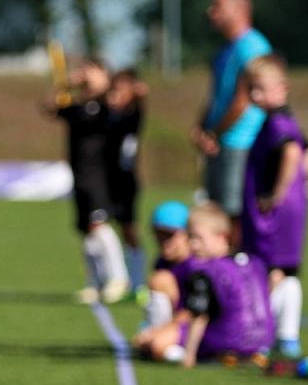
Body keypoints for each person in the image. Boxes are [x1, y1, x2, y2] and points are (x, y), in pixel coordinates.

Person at [135, 203, 272, 368]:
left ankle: (179, 352)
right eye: (191, 238)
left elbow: (199, 314)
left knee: (156, 345)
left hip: (225, 342)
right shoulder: (253, 263)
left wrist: (189, 354)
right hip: (262, 344)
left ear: (222, 237)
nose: (193, 245)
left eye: (197, 238)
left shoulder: (206, 271)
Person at [240, 54, 308, 358]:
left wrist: (277, 194)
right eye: (251, 89)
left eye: (261, 89)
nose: (255, 96)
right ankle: (281, 334)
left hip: (275, 215)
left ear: (282, 88)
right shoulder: (278, 119)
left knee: (273, 271)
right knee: (279, 270)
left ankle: (268, 333)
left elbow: (293, 154)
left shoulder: (278, 122)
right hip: (283, 209)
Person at [42, 58, 128, 304]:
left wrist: (103, 83)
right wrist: (63, 84)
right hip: (79, 175)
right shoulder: (78, 107)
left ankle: (118, 279)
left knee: (99, 224)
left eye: (92, 70)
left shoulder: (108, 104)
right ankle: (95, 282)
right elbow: (50, 108)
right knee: (86, 231)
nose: (85, 75)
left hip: (101, 174)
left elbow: (119, 99)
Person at [191, 0, 271, 243]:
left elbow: (242, 100)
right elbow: (217, 96)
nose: (211, 12)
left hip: (240, 143)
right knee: (214, 214)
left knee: (233, 216)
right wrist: (201, 129)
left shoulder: (253, 46)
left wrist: (214, 133)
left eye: (217, 6)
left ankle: (238, 272)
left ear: (238, 10)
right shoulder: (226, 50)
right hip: (220, 143)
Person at [104, 67, 148, 288]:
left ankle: (138, 280)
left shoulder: (133, 114)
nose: (117, 95)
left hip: (125, 180)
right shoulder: (106, 114)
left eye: (123, 89)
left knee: (129, 229)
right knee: (102, 227)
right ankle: (114, 278)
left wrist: (138, 94)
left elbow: (139, 102)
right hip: (106, 179)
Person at [138, 199, 193, 334]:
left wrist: (160, 333)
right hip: (175, 324)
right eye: (159, 234)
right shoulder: (162, 262)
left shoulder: (195, 265)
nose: (165, 241)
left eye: (171, 235)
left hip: (194, 328)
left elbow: (196, 311)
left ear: (188, 235)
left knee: (160, 280)